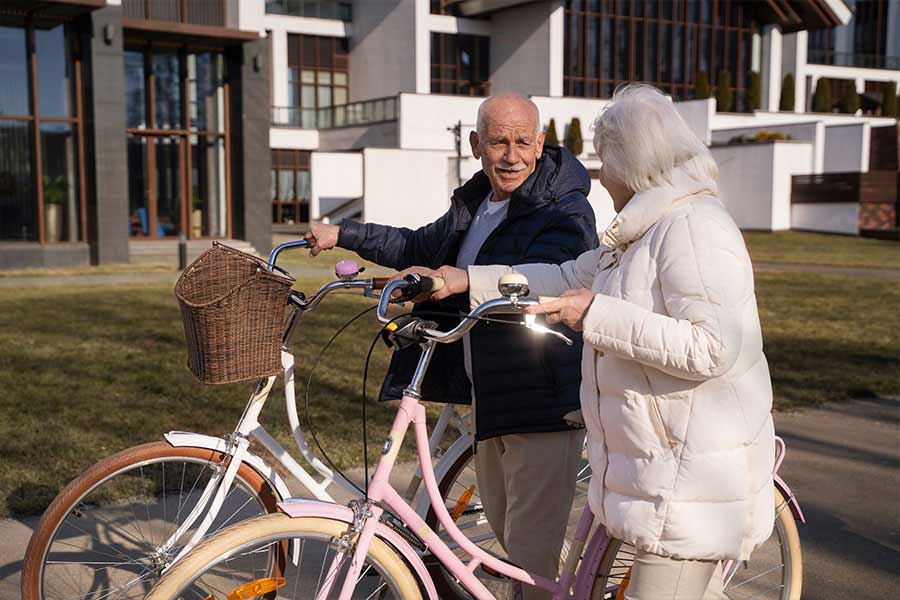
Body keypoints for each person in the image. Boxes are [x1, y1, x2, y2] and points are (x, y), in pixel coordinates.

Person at [409, 84, 776, 600]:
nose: (600, 177)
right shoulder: (639, 232)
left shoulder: (694, 229)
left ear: (637, 162)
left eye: (606, 162)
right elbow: (561, 275)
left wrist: (596, 313)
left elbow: (712, 348)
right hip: (652, 470)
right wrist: (465, 281)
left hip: (692, 480)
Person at [305, 93, 598, 599]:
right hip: (489, 395)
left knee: (528, 558)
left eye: (523, 142)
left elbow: (549, 278)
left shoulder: (565, 209)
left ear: (541, 143)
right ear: (475, 144)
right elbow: (417, 247)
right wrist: (344, 233)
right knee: (511, 537)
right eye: (499, 141)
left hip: (542, 398)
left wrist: (462, 280)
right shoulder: (479, 203)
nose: (511, 155)